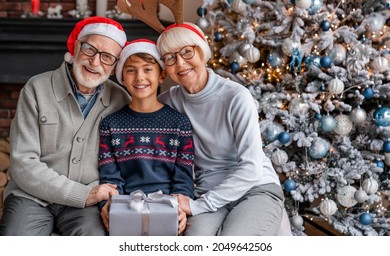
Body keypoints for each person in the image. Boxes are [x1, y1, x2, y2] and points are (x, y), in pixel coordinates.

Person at [0, 16, 131, 236]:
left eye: (107, 57)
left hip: (88, 202)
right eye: (90, 49)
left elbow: (126, 162)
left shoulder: (121, 100)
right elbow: (23, 163)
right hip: (31, 196)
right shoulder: (36, 88)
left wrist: (100, 195)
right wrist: (82, 194)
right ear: (76, 47)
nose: (95, 61)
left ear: (115, 66)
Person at [156, 23, 289, 236]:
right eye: (170, 58)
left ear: (202, 52)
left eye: (187, 52)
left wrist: (197, 206)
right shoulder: (169, 101)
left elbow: (251, 169)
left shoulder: (236, 96)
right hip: (207, 192)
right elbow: (136, 111)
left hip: (255, 188)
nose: (180, 63)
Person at [98, 39, 194, 235]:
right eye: (131, 70)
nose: (139, 77)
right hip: (124, 207)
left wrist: (181, 208)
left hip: (167, 206)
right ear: (122, 78)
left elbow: (183, 178)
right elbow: (110, 176)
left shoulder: (179, 124)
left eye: (148, 69)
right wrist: (107, 205)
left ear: (162, 75)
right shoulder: (110, 124)